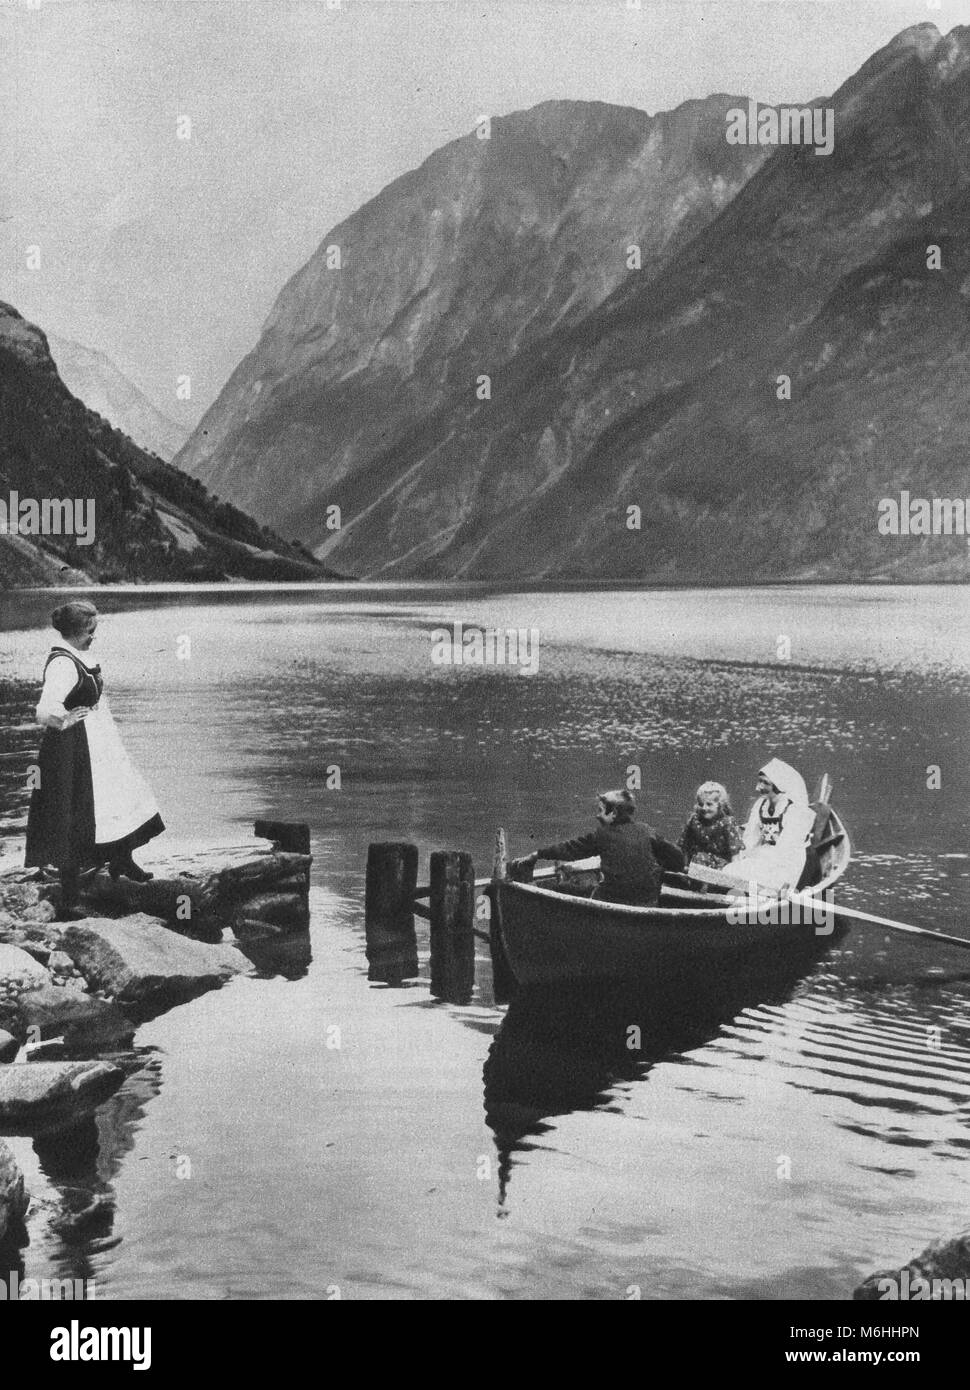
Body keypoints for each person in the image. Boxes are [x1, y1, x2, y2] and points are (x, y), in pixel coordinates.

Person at [24, 601, 165, 917]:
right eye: (90, 631)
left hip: (98, 744)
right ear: (75, 632)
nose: (93, 637)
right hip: (71, 750)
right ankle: (70, 895)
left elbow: (93, 697)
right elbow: (44, 711)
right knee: (74, 814)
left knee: (121, 797)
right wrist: (67, 720)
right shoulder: (62, 663)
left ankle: (121, 860)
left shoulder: (80, 656)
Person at [511, 788, 684, 907]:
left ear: (614, 814)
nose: (597, 815)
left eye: (600, 810)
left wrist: (537, 854)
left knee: (586, 892)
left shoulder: (602, 835)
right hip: (648, 901)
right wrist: (660, 865)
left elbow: (571, 849)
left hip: (614, 900)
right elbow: (678, 859)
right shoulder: (648, 832)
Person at [721, 758, 815, 896]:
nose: (758, 787)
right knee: (730, 871)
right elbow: (751, 838)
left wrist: (773, 869)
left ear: (778, 785)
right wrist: (743, 857)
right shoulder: (761, 805)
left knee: (770, 884)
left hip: (791, 859)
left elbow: (788, 848)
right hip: (766, 855)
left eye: (765, 783)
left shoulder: (793, 810)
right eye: (759, 781)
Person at [678, 781, 744, 871]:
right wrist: (684, 865)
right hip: (695, 863)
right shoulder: (694, 820)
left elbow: (735, 853)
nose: (704, 808)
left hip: (720, 867)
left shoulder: (727, 823)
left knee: (701, 858)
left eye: (709, 804)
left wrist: (734, 874)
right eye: (701, 804)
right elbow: (684, 845)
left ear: (720, 805)